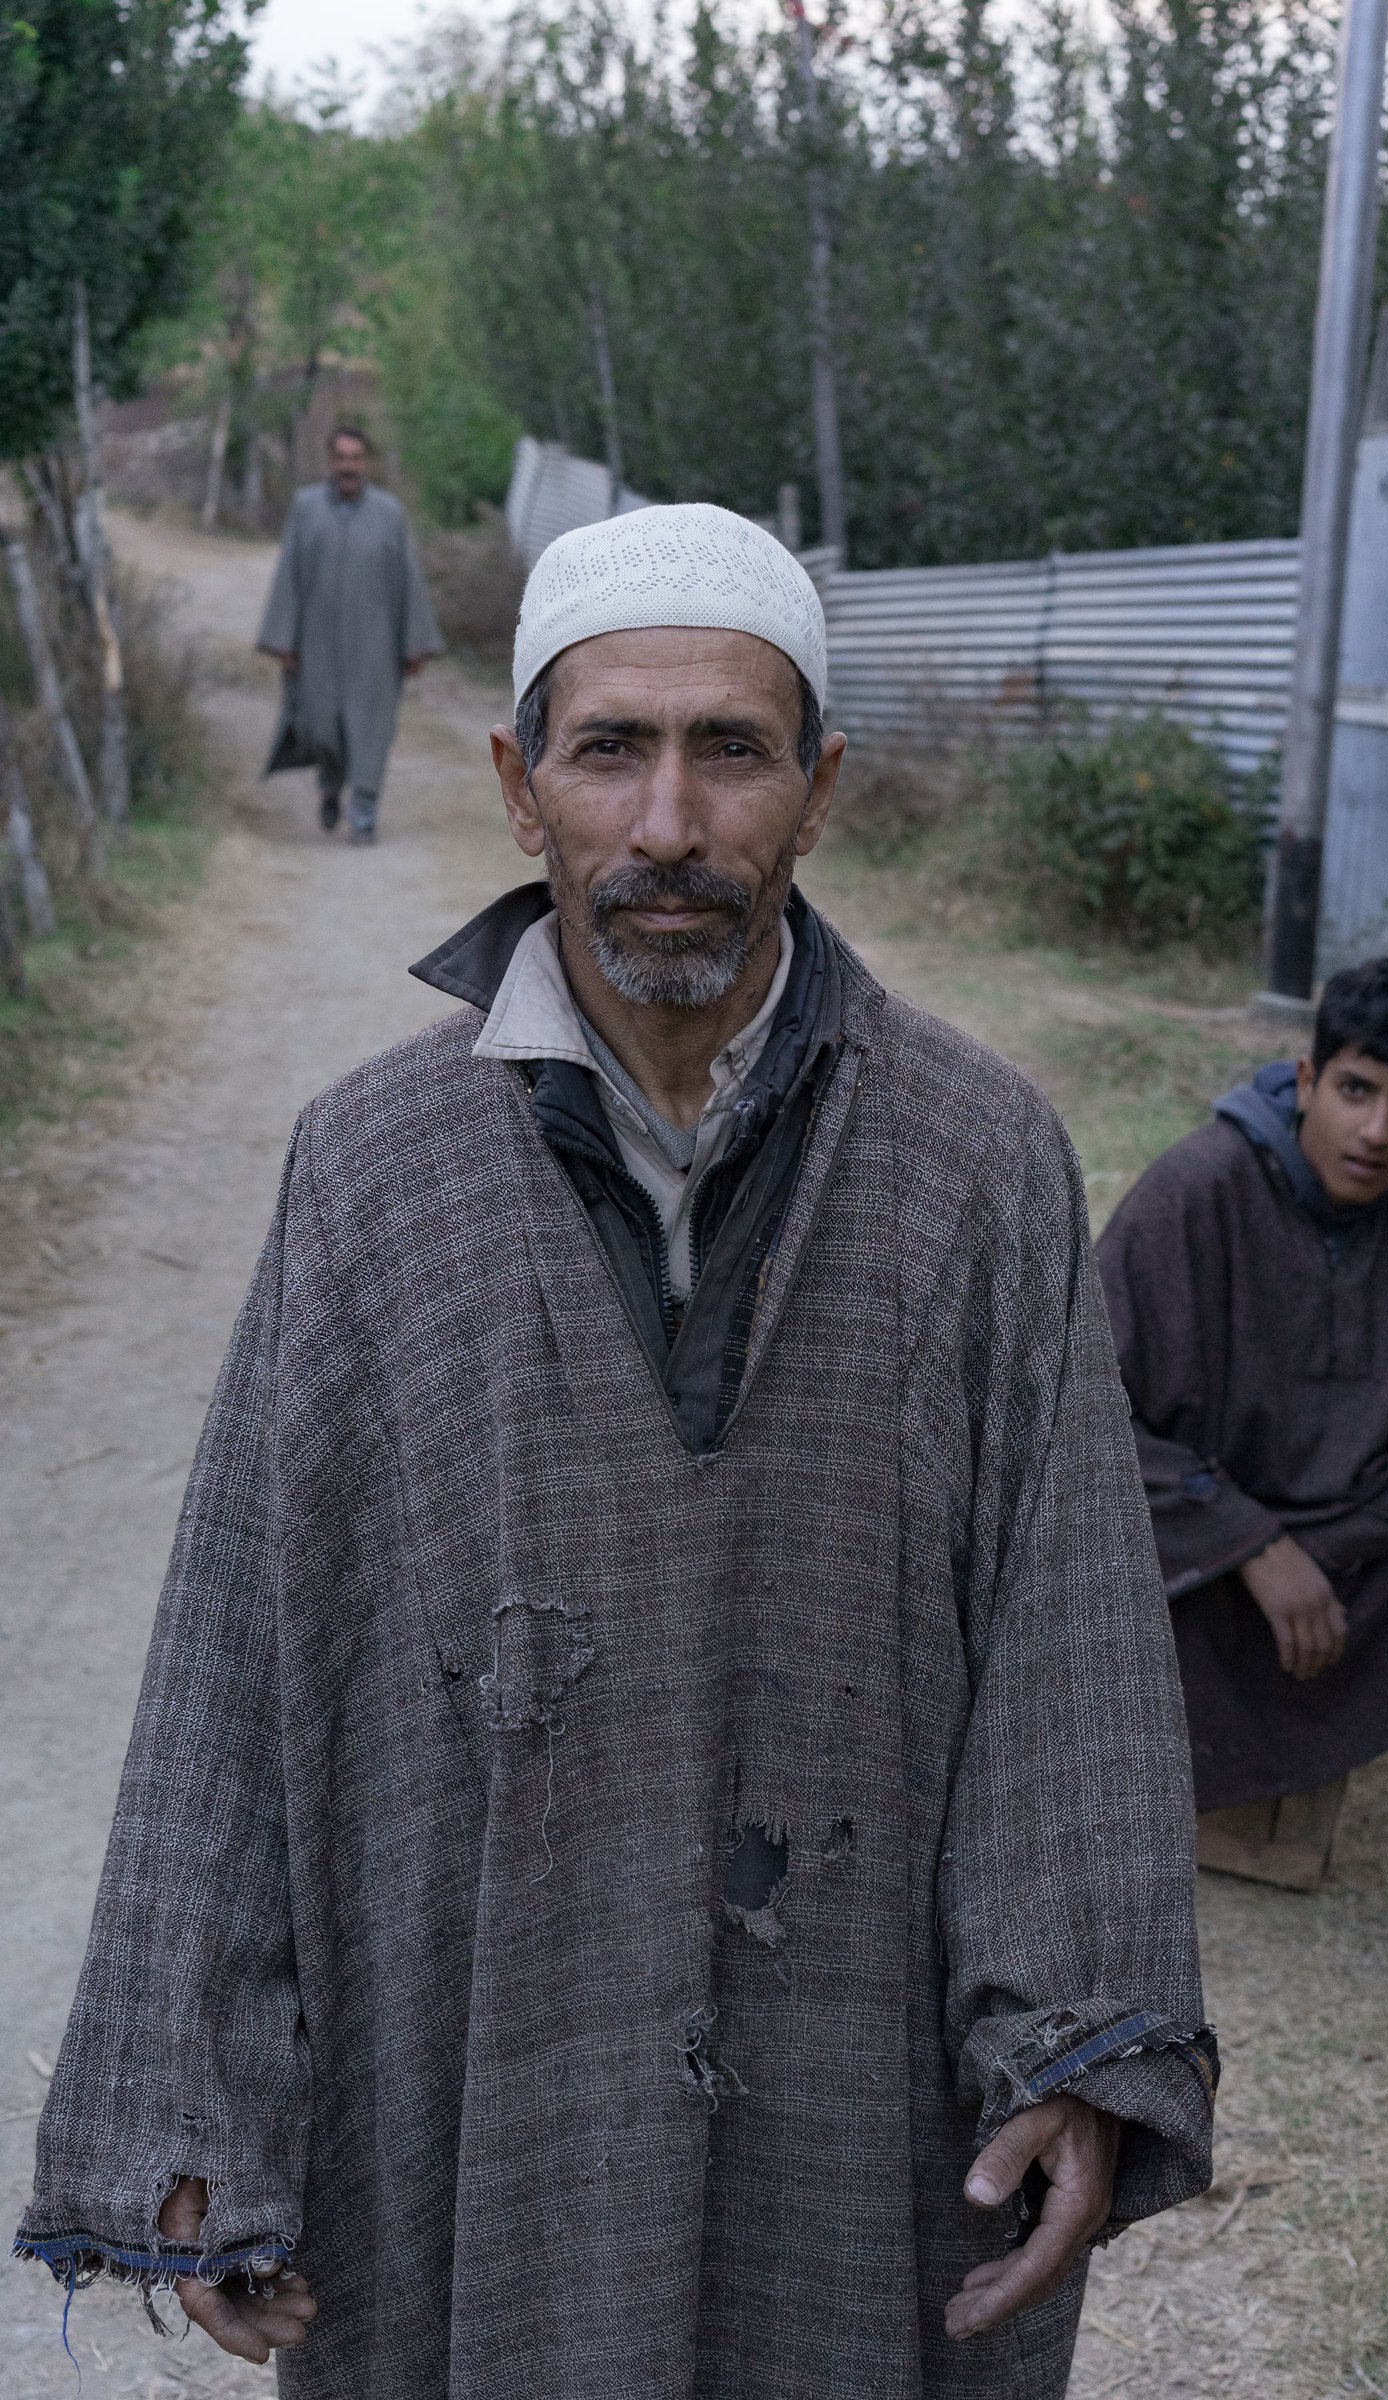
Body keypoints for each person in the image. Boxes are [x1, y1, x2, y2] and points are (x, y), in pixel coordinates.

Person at [17, 505, 1215, 2398]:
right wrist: (198, 2091)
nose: (669, 824)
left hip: (849, 2061)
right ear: (521, 789)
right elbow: (245, 1640)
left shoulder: (981, 1166)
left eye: (731, 751)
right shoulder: (372, 1171)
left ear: (820, 791)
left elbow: (1069, 1642)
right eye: (610, 752)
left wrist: (1077, 2036)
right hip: (470, 2059)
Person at [1096, 955, 1388, 1989]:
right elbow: (1078, 1412)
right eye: (1355, 1090)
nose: (1375, 1131)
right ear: (1306, 1079)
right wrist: (1250, 1541)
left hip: (1352, 1552)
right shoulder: (1198, 1189)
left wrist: (1324, 1544)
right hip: (1197, 1558)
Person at [257, 424, 441, 844]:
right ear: (329, 461)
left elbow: (408, 580)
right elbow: (288, 574)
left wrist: (414, 645)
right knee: (320, 727)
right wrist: (284, 639)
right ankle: (329, 785)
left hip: (375, 645)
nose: (348, 466)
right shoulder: (306, 507)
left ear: (366, 463)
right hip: (315, 644)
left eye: (356, 458)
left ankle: (363, 811)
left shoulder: (389, 513)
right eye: (341, 458)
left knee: (370, 729)